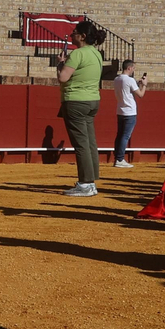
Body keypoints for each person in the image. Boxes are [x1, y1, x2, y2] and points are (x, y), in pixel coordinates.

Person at [56, 20, 105, 197]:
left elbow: (63, 78)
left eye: (75, 32)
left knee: (81, 144)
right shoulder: (96, 54)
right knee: (90, 141)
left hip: (75, 100)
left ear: (83, 36)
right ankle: (91, 180)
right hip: (93, 100)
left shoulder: (77, 54)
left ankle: (85, 183)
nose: (71, 35)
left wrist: (60, 64)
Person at [111, 60, 146, 168]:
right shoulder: (130, 80)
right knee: (125, 136)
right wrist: (144, 85)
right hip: (129, 111)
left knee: (120, 135)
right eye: (133, 68)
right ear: (129, 68)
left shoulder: (117, 79)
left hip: (120, 110)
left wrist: (137, 84)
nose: (133, 70)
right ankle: (120, 159)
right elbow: (140, 94)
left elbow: (127, 89)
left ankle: (117, 158)